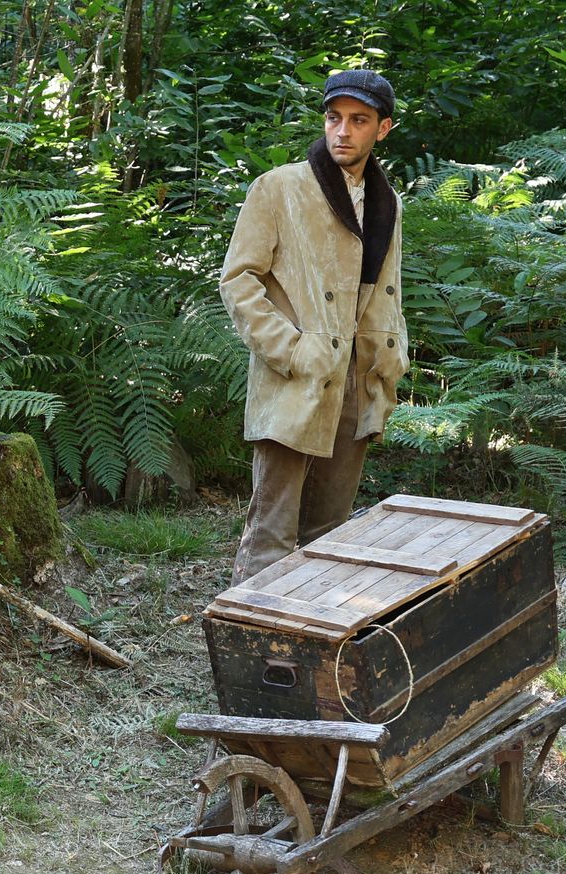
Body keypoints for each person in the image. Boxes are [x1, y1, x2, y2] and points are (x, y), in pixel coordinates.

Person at [219, 69, 409, 584]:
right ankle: (253, 647)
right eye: (333, 118)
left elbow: (385, 292)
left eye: (358, 120)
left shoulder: (388, 203)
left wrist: (391, 360)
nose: (342, 131)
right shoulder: (279, 188)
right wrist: (292, 350)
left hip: (358, 379)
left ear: (382, 129)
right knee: (272, 532)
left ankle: (313, 654)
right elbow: (238, 280)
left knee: (330, 534)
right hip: (296, 377)